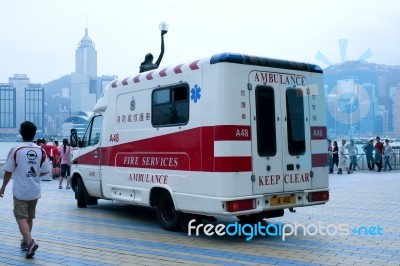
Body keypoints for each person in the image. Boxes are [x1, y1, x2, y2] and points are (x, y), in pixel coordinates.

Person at [0, 121, 51, 258]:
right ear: (34, 134)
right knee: (29, 217)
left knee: (21, 217)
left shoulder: (16, 150)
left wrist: (3, 187)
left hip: (20, 191)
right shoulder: (41, 150)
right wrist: (34, 176)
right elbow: (46, 171)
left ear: (20, 133)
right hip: (34, 191)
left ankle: (29, 242)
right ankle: (24, 242)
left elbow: (8, 171)